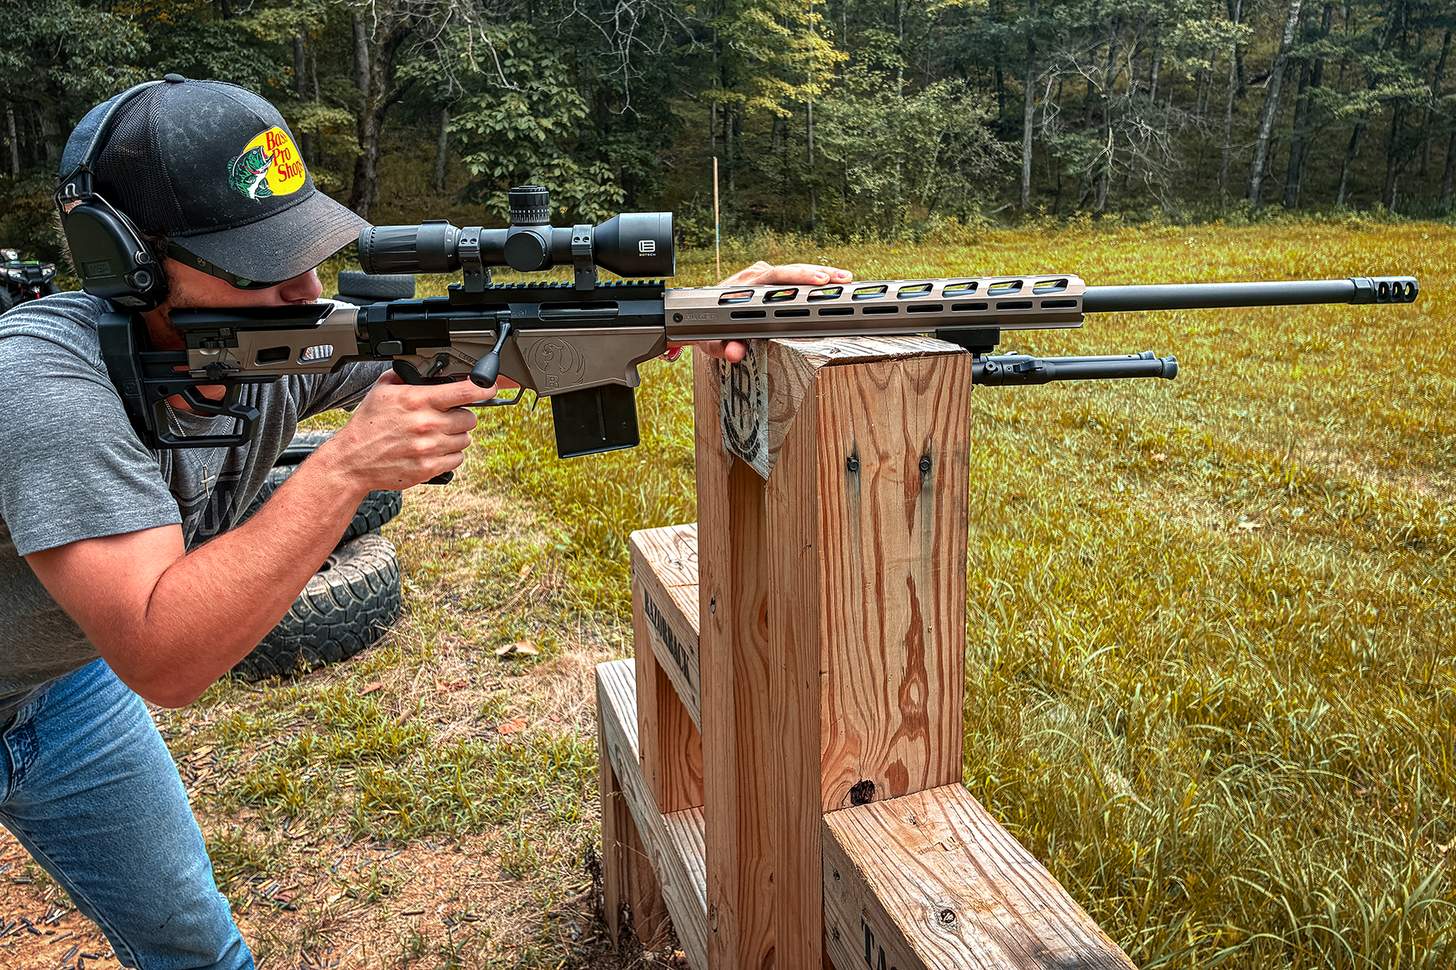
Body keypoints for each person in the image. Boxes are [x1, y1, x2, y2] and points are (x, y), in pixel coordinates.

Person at [0, 76, 852, 969]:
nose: (307, 289)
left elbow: (489, 349)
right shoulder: (46, 389)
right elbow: (165, 655)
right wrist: (347, 467)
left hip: (59, 696)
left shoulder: (273, 337)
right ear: (123, 263)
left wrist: (687, 315)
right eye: (257, 263)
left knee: (193, 947)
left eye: (310, 250)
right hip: (93, 673)